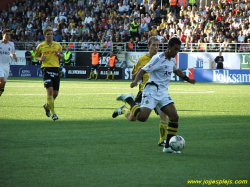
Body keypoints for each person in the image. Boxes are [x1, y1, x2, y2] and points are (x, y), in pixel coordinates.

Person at [115, 38, 196, 153]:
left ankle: (167, 146)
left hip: (163, 93)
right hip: (151, 90)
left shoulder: (172, 60)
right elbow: (142, 70)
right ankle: (128, 99)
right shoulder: (158, 59)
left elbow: (177, 70)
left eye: (178, 50)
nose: (176, 52)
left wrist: (188, 79)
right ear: (169, 47)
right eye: (175, 49)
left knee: (174, 117)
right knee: (142, 118)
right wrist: (135, 82)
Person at [112, 36, 168, 146]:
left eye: (158, 45)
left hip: (158, 91)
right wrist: (137, 72)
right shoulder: (141, 60)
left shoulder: (161, 58)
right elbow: (133, 76)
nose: (156, 48)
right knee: (133, 118)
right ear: (149, 46)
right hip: (144, 91)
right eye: (154, 45)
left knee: (163, 114)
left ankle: (162, 141)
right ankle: (123, 109)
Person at [34, 26, 64, 121]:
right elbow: (36, 56)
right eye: (48, 34)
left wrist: (60, 55)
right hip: (46, 69)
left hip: (56, 69)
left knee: (55, 93)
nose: (50, 36)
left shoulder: (58, 45)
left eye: (51, 34)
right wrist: (40, 59)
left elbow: (63, 56)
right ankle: (53, 113)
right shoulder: (41, 46)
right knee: (50, 91)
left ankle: (47, 106)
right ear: (44, 36)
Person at [0, 29, 18, 97]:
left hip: (6, 66)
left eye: (9, 35)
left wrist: (14, 56)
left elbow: (12, 53)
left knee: (3, 84)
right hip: (0, 65)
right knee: (1, 80)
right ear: (3, 35)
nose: (8, 36)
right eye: (6, 34)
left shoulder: (11, 44)